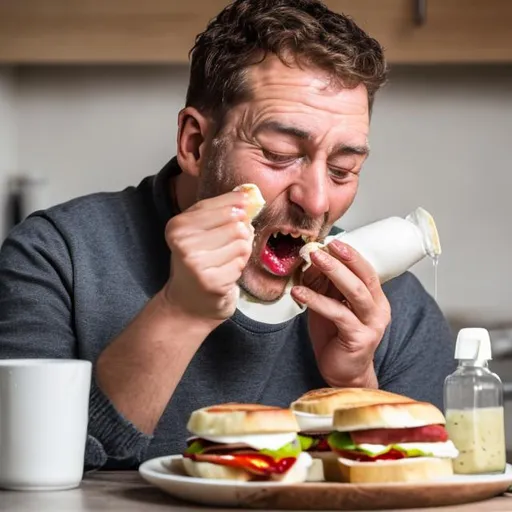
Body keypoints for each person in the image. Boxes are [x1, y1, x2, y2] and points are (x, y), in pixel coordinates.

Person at [0, 0, 455, 470]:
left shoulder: (391, 307)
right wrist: (178, 314)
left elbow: (436, 485)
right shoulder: (56, 258)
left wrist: (355, 386)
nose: (317, 201)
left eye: (343, 170)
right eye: (279, 154)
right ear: (195, 144)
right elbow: (25, 478)